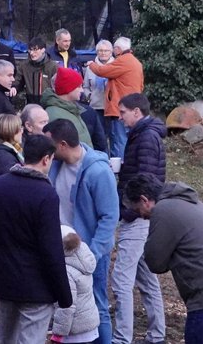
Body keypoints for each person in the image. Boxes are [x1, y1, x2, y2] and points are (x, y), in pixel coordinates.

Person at [125, 173, 203, 344]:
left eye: (138, 210)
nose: (142, 217)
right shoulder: (189, 201)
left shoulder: (163, 210)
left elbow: (155, 262)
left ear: (145, 200)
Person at [0, 133, 72, 344]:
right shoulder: (46, 194)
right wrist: (65, 295)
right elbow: (51, 248)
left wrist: (3, 250)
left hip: (6, 279)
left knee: (5, 339)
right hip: (37, 287)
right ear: (46, 159)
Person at [45, 117, 118, 344]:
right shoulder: (55, 166)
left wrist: (93, 253)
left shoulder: (98, 172)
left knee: (97, 307)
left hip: (87, 253)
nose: (46, 150)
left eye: (50, 145)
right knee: (65, 305)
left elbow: (110, 216)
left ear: (63, 145)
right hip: (60, 250)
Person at [111, 93, 166, 344]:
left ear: (136, 111)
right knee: (146, 278)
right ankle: (157, 334)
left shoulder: (145, 138)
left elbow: (146, 180)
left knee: (121, 279)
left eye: (122, 112)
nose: (119, 117)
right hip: (143, 218)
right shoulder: (143, 135)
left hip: (138, 218)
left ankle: (122, 338)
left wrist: (130, 212)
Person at [88, 37, 143, 161]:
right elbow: (141, 85)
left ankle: (119, 168)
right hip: (133, 106)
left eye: (113, 48)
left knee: (118, 139)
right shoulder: (136, 62)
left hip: (121, 108)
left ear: (118, 49)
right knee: (127, 138)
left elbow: (102, 71)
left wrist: (91, 64)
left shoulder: (122, 61)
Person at [52, 225, 101, 344]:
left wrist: (58, 333)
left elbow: (67, 305)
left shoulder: (67, 272)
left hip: (74, 329)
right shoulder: (84, 261)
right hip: (88, 323)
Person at [41, 67, 97, 149]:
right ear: (68, 89)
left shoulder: (71, 109)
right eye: (78, 86)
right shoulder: (55, 114)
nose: (82, 90)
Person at [82, 40, 117, 156]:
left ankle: (115, 160)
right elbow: (85, 86)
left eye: (106, 50)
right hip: (96, 106)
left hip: (112, 108)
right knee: (100, 136)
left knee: (113, 135)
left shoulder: (116, 66)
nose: (103, 53)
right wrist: (89, 96)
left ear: (111, 52)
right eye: (100, 51)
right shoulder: (90, 67)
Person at [15, 36, 58, 105]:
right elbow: (18, 81)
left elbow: (58, 87)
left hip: (48, 104)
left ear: (43, 50)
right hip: (30, 104)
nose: (31, 53)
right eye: (30, 50)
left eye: (35, 49)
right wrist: (14, 88)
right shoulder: (24, 66)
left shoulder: (53, 66)